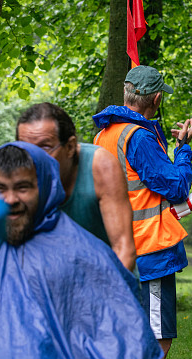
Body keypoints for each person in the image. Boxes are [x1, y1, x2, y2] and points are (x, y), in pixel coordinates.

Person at [0, 142, 162, 359]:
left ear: (44, 187)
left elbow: (107, 339)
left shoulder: (81, 255)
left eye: (23, 188)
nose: (10, 200)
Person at [92, 65, 192, 359]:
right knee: (158, 341)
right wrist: (184, 150)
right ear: (156, 99)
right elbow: (173, 185)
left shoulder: (107, 132)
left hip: (118, 249)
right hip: (147, 252)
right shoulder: (138, 137)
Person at [16, 102, 136, 270]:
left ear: (70, 147)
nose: (34, 159)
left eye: (45, 147)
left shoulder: (100, 166)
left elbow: (124, 250)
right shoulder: (16, 174)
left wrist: (108, 293)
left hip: (106, 275)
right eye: (26, 149)